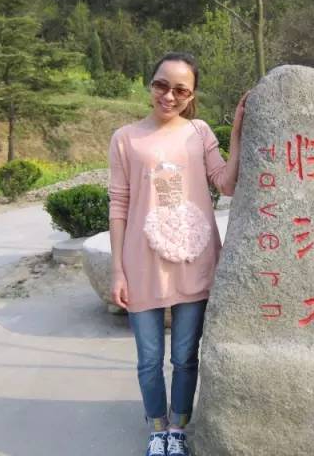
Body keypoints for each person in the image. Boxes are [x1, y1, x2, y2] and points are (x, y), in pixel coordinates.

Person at [107, 52, 248, 456]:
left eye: (180, 90)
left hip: (194, 258)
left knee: (185, 357)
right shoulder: (125, 138)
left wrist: (237, 132)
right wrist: (117, 270)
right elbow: (119, 205)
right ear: (150, 83)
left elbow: (226, 183)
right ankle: (157, 429)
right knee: (149, 359)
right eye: (161, 85)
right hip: (142, 264)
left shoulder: (198, 132)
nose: (169, 96)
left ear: (191, 95)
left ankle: (178, 428)